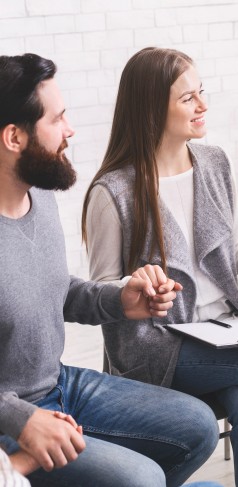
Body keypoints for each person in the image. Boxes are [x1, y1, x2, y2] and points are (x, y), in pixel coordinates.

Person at [80, 47, 238, 487]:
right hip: (154, 346)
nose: (203, 105)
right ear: (153, 109)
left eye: (202, 92)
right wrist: (135, 286)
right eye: (187, 98)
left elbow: (227, 257)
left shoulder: (213, 163)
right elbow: (100, 295)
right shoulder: (113, 191)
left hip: (224, 334)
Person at [0, 53, 219, 487]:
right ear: (14, 137)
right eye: (57, 120)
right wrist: (21, 420)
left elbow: (55, 292)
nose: (70, 130)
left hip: (60, 385)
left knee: (198, 426)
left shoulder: (37, 195)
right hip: (12, 421)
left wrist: (121, 298)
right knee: (140, 478)